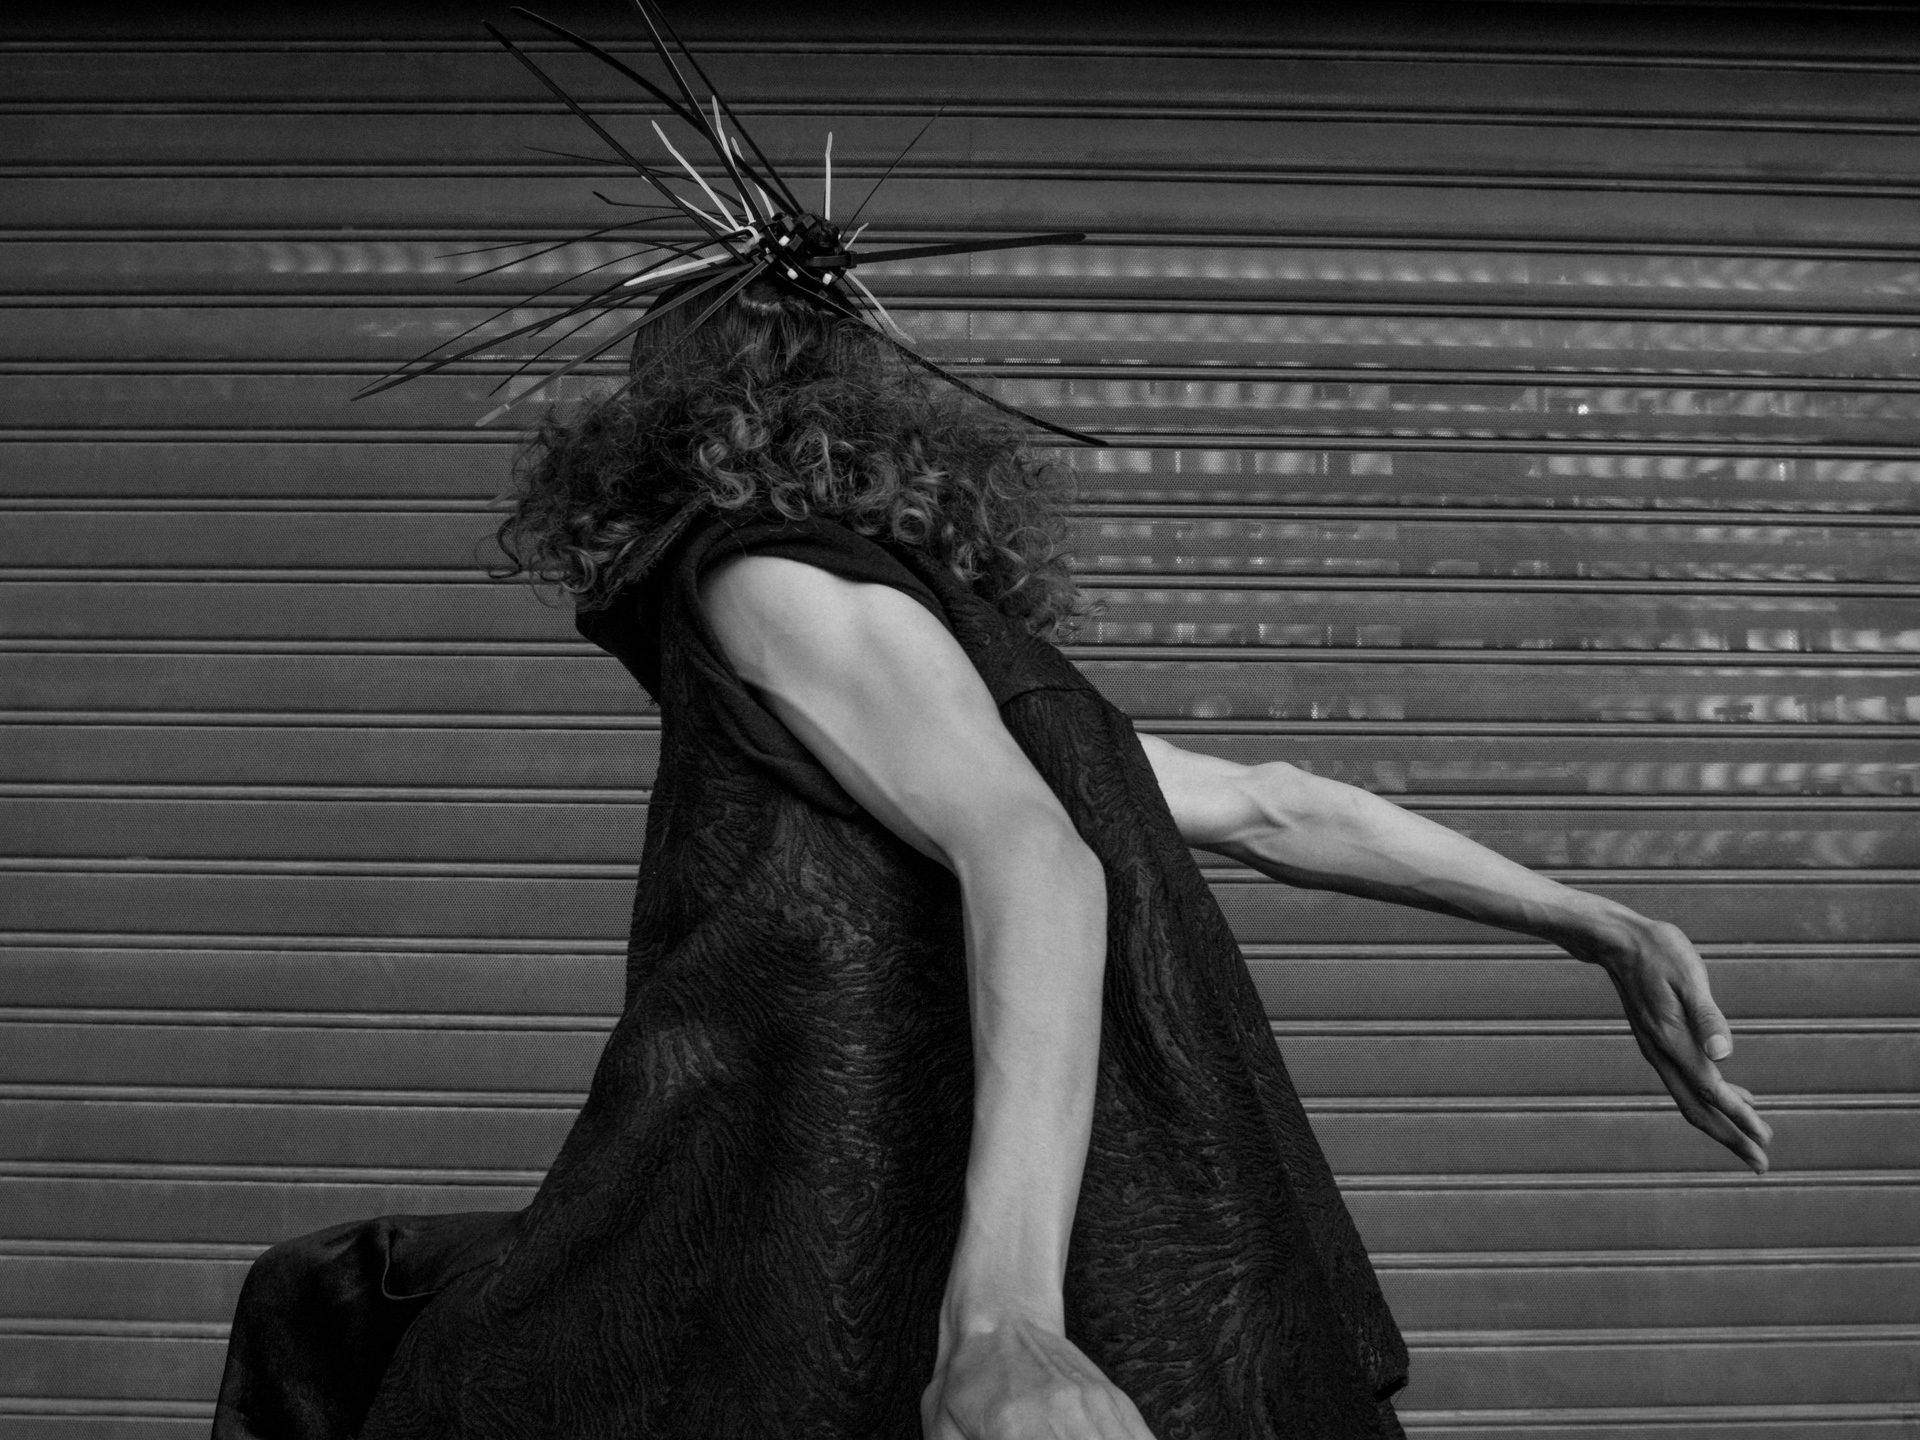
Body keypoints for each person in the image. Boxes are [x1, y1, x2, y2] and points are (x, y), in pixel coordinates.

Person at [213, 275, 1772, 1440]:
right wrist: (1588, 918)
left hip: (817, 1237)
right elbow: (1275, 805)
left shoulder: (766, 583)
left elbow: (1037, 857)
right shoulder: (953, 655)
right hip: (863, 1231)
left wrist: (1008, 1318)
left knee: (341, 1319)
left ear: (662, 425)